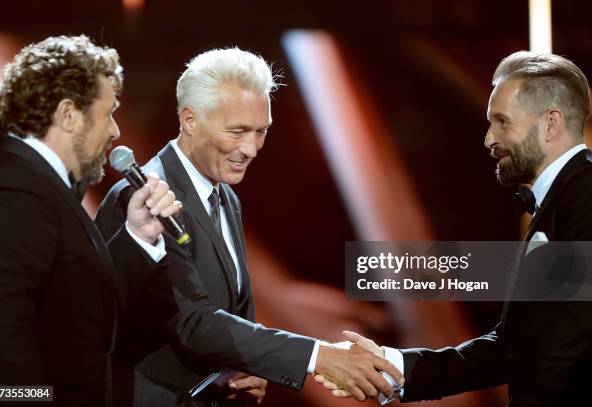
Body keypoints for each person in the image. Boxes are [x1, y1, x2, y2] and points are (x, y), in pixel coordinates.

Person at [96, 47, 402, 406]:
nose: (252, 148)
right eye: (238, 131)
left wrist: (245, 369)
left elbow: (231, 305)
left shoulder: (225, 196)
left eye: (260, 132)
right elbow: (192, 322)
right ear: (190, 120)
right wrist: (319, 355)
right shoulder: (146, 197)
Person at [316, 51, 592, 406]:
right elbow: (513, 348)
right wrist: (393, 366)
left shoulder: (589, 198)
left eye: (502, 122)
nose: (488, 139)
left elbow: (568, 351)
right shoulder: (565, 199)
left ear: (550, 123)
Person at [0, 35, 181, 405]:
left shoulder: (37, 184)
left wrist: (137, 236)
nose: (115, 131)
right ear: (69, 115)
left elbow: (77, 307)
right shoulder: (14, 190)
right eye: (108, 114)